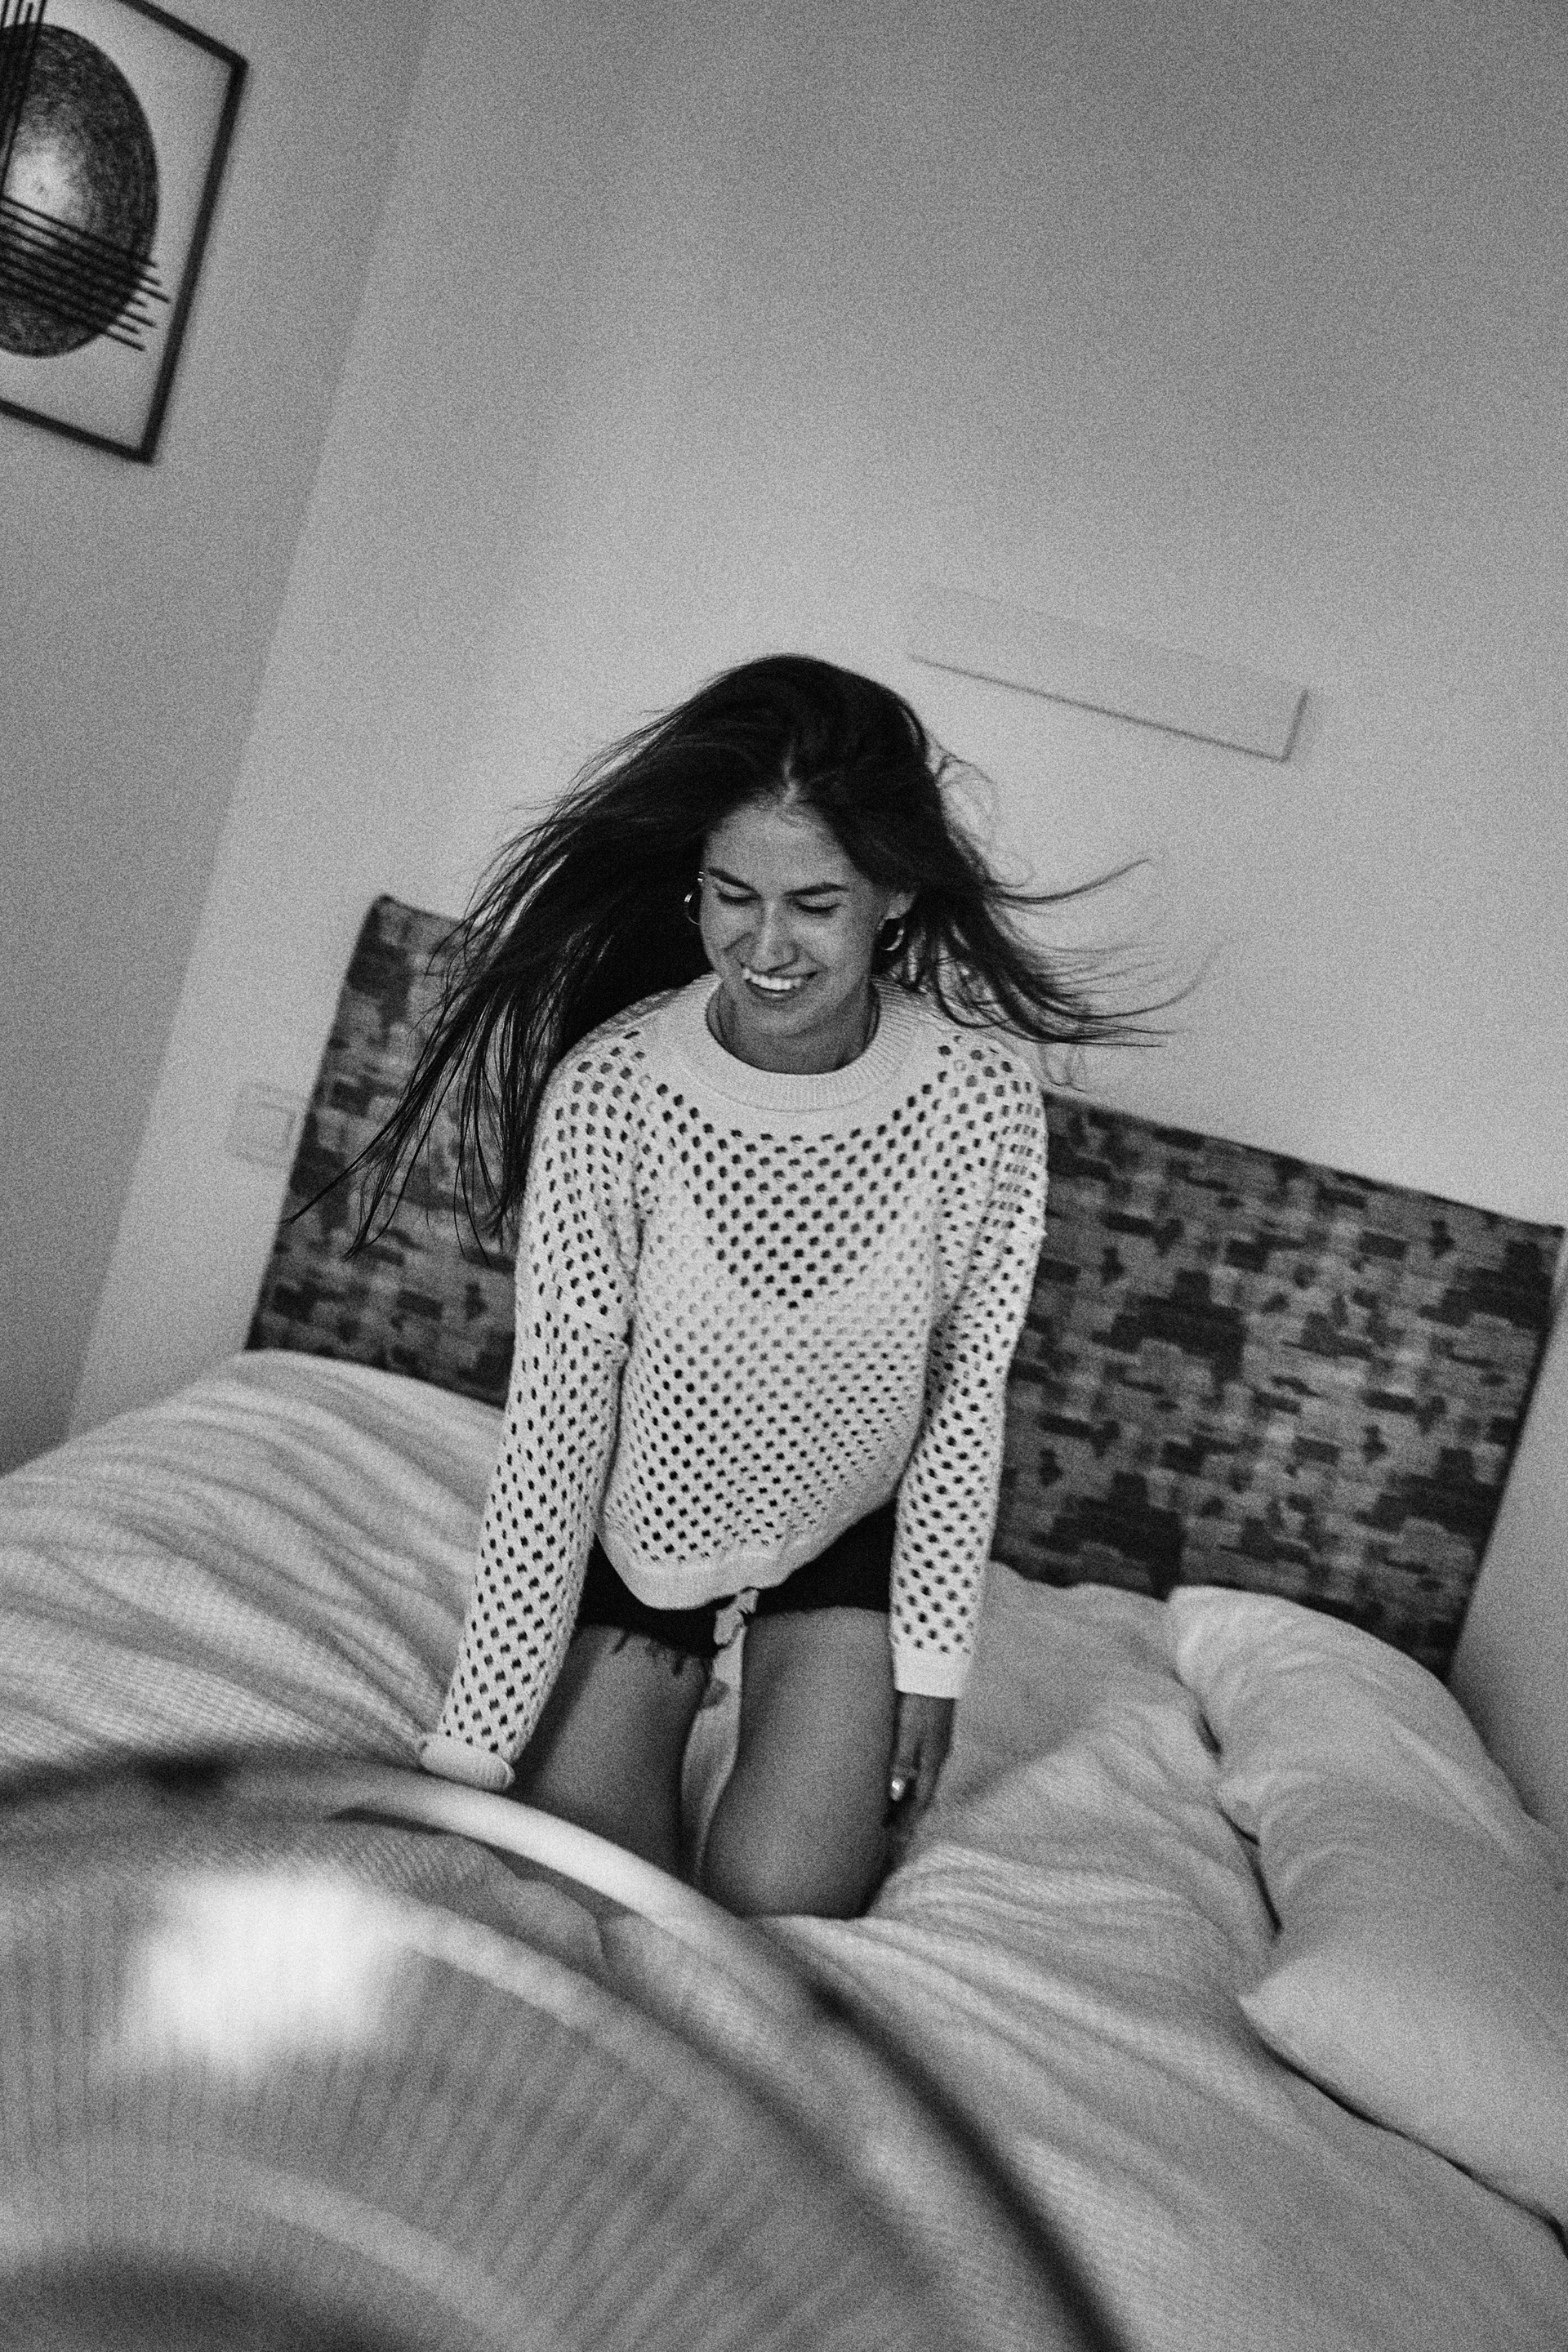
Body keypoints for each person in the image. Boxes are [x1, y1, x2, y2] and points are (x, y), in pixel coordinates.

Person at [356, 653, 1132, 1919]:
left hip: (847, 1531)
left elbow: (965, 1395)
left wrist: (933, 1658)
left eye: (815, 902)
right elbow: (554, 1431)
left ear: (893, 892)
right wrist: (470, 1753)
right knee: (588, 1897)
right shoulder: (614, 1094)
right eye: (732, 895)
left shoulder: (979, 1101)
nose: (766, 947)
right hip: (642, 1542)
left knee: (780, 1900)